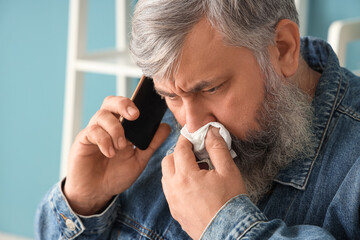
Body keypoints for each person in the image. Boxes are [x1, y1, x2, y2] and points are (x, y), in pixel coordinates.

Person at [35, 0, 360, 239]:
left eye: (211, 89)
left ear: (282, 49)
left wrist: (223, 225)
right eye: (171, 96)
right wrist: (85, 202)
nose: (191, 127)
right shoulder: (141, 146)